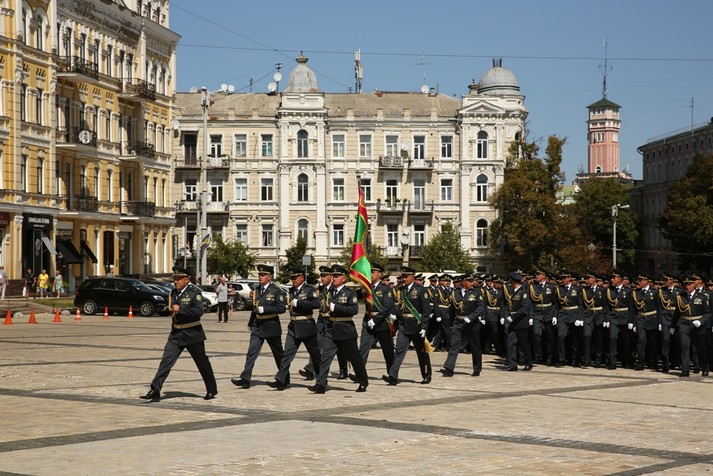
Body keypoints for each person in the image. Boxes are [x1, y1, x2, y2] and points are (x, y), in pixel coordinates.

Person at [140, 266, 217, 401]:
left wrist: (180, 308)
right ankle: (155, 389)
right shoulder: (174, 293)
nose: (176, 281)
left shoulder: (194, 293)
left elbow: (199, 312)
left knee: (202, 363)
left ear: (187, 280)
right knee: (166, 361)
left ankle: (211, 389)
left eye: (179, 279)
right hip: (176, 333)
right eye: (175, 279)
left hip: (192, 333)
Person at [308, 264, 368, 393]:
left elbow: (354, 310)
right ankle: (320, 384)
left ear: (344, 278)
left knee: (354, 358)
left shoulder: (349, 293)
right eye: (333, 276)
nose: (334, 278)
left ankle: (363, 381)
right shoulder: (328, 292)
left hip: (346, 329)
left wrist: (336, 308)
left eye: (337, 276)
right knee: (325, 358)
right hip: (331, 329)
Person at [231, 264, 286, 389]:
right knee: (251, 352)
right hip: (258, 325)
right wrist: (251, 323)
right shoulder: (256, 290)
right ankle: (245, 379)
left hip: (271, 325)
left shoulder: (276, 290)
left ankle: (283, 379)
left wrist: (265, 309)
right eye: (259, 275)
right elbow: (254, 309)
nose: (260, 277)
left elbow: (281, 308)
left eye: (263, 275)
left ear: (269, 277)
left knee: (278, 354)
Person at [267, 267, 321, 390]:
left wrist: (299, 303)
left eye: (295, 278)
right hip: (293, 327)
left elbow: (316, 304)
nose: (293, 280)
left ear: (302, 277)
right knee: (287, 355)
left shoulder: (309, 289)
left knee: (315, 356)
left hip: (306, 326)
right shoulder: (291, 291)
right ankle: (280, 380)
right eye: (291, 278)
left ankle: (321, 381)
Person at [383, 266, 432, 386]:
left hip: (417, 326)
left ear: (412, 277)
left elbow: (426, 310)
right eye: (403, 277)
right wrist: (394, 317)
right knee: (399, 351)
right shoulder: (401, 290)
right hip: (403, 325)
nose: (404, 279)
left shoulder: (421, 290)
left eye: (406, 276)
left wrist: (424, 327)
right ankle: (393, 376)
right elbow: (399, 307)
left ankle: (426, 375)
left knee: (421, 352)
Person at [301, 266, 349, 381]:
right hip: (321, 320)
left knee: (339, 347)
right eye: (321, 276)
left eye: (325, 276)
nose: (322, 278)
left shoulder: (335, 288)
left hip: (332, 320)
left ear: (330, 277)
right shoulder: (320, 289)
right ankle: (311, 369)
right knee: (317, 345)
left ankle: (343, 369)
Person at [440, 271, 485, 377]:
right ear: (464, 282)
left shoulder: (476, 293)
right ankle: (449, 368)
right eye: (470, 281)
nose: (472, 283)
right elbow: (452, 309)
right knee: (454, 345)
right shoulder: (455, 292)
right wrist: (451, 323)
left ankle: (477, 368)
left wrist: (471, 317)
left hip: (472, 324)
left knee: (475, 347)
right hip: (458, 322)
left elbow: (480, 307)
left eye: (472, 281)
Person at [354, 262, 396, 376]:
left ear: (380, 274)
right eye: (370, 272)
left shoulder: (385, 289)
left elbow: (387, 307)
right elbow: (355, 296)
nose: (371, 274)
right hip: (367, 320)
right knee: (363, 348)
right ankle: (360, 374)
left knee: (387, 350)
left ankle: (392, 374)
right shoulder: (367, 287)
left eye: (373, 272)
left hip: (381, 322)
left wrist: (375, 320)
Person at [671, 275, 710, 377]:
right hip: (685, 324)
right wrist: (673, 326)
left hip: (697, 326)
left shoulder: (702, 297)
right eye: (685, 284)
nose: (687, 286)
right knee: (684, 346)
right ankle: (685, 370)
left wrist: (701, 321)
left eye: (689, 284)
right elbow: (677, 313)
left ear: (694, 285)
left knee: (700, 348)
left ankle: (704, 367)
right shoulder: (681, 297)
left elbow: (707, 313)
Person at [503, 271, 533, 371]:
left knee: (524, 344)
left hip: (520, 322)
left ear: (513, 281)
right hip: (512, 322)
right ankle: (512, 365)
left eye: (510, 281)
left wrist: (513, 317)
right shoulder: (514, 292)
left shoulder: (523, 292)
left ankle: (529, 362)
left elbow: (524, 308)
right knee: (510, 343)